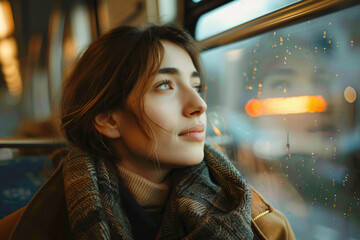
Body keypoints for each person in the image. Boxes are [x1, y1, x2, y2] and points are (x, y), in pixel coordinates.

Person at [0, 24, 295, 240]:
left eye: (196, 87)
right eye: (164, 85)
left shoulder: (260, 224)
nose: (199, 105)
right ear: (108, 120)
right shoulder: (26, 229)